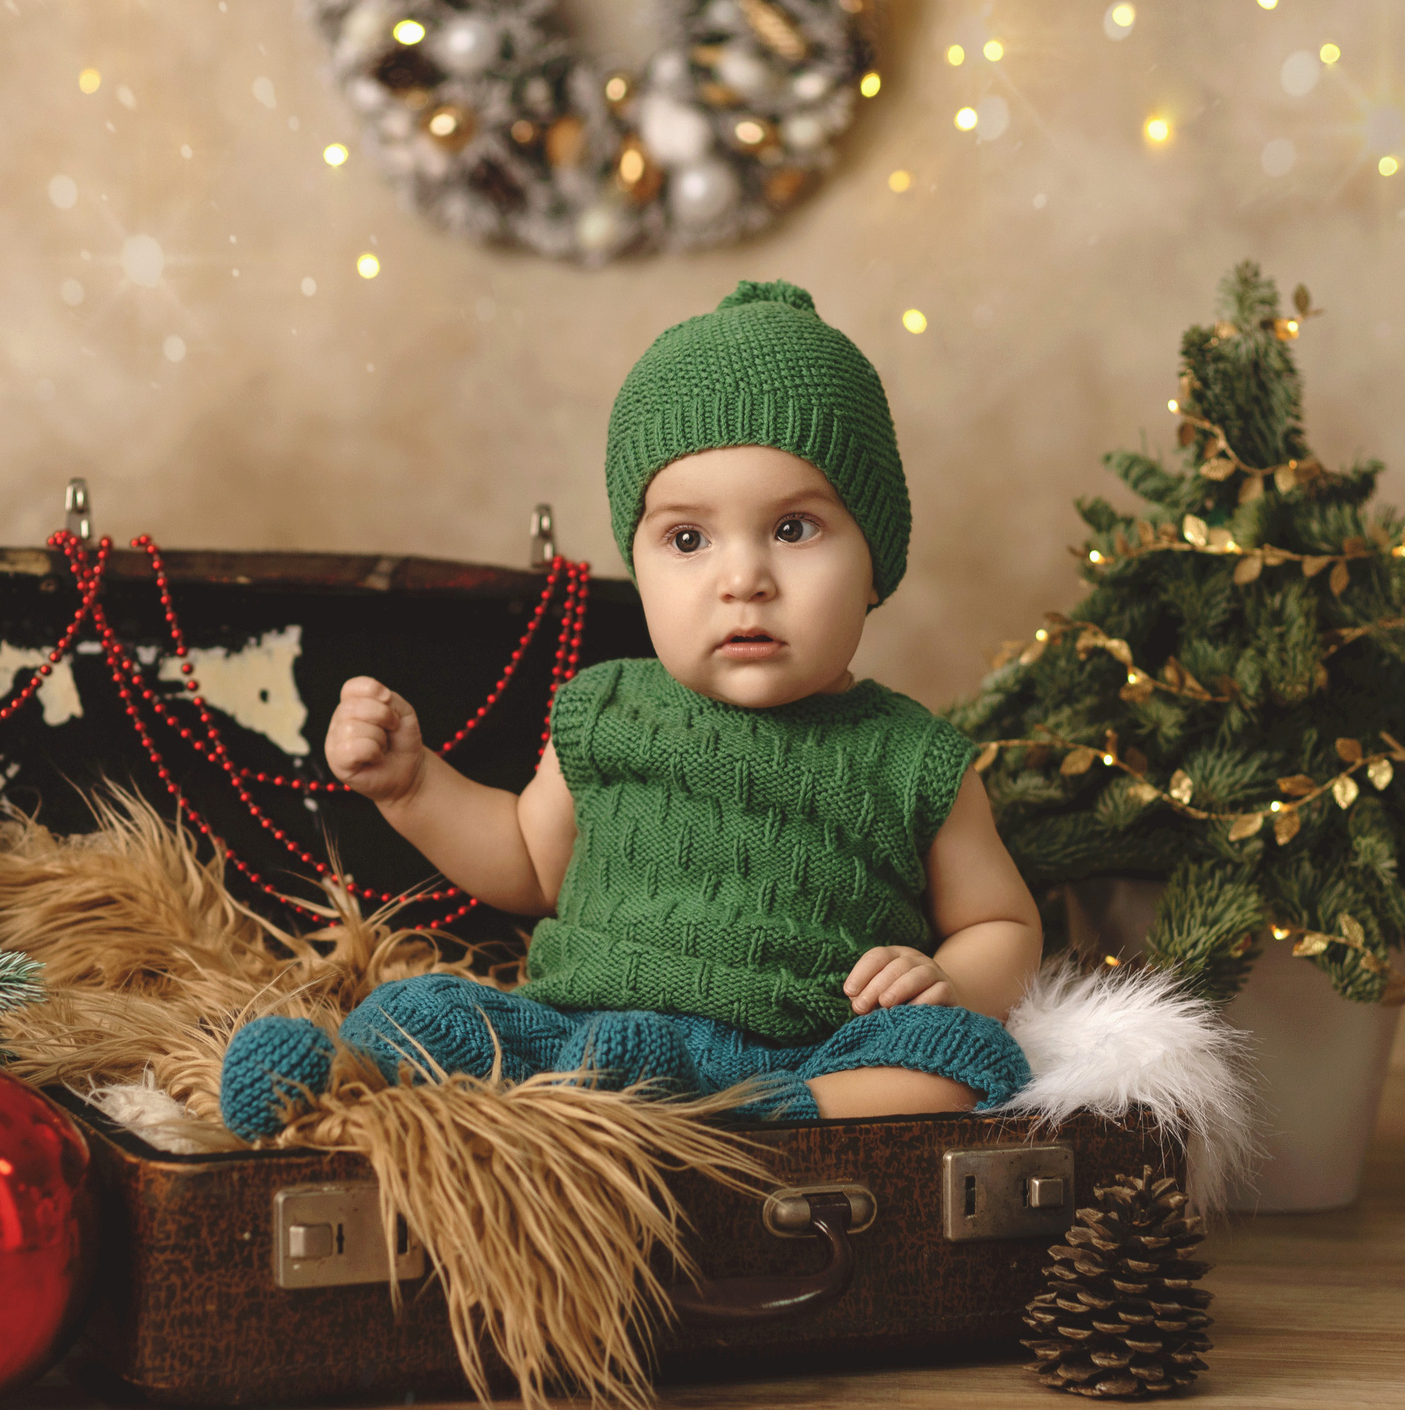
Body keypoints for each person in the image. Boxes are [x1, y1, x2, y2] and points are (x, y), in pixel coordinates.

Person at [219, 279, 1044, 1138]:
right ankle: (330, 1083)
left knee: (960, 1058)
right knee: (418, 1012)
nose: (743, 579)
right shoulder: (608, 707)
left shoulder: (911, 757)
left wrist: (945, 979)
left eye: (795, 529)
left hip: (804, 1055)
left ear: (876, 561)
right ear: (638, 562)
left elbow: (1002, 920)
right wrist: (412, 786)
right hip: (583, 1034)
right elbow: (532, 866)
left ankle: (759, 1121)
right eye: (688, 540)